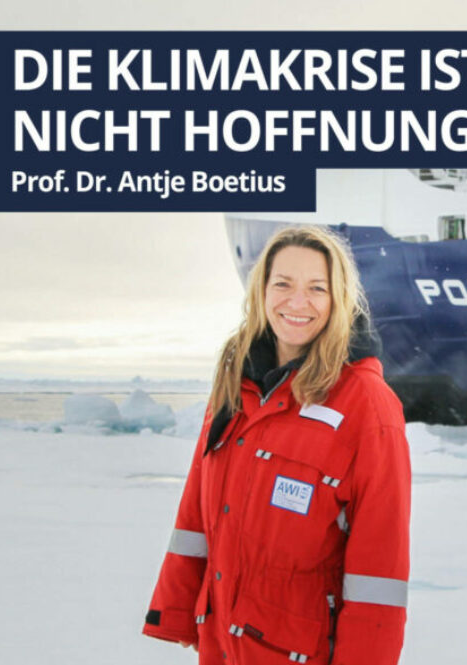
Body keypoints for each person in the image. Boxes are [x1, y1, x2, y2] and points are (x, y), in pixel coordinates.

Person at [143, 225, 411, 665]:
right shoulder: (235, 382)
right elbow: (196, 509)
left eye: (316, 288)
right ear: (261, 291)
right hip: (222, 643)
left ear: (338, 298)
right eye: (282, 284)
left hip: (299, 651)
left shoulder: (366, 404)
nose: (297, 302)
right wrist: (177, 608)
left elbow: (379, 570)